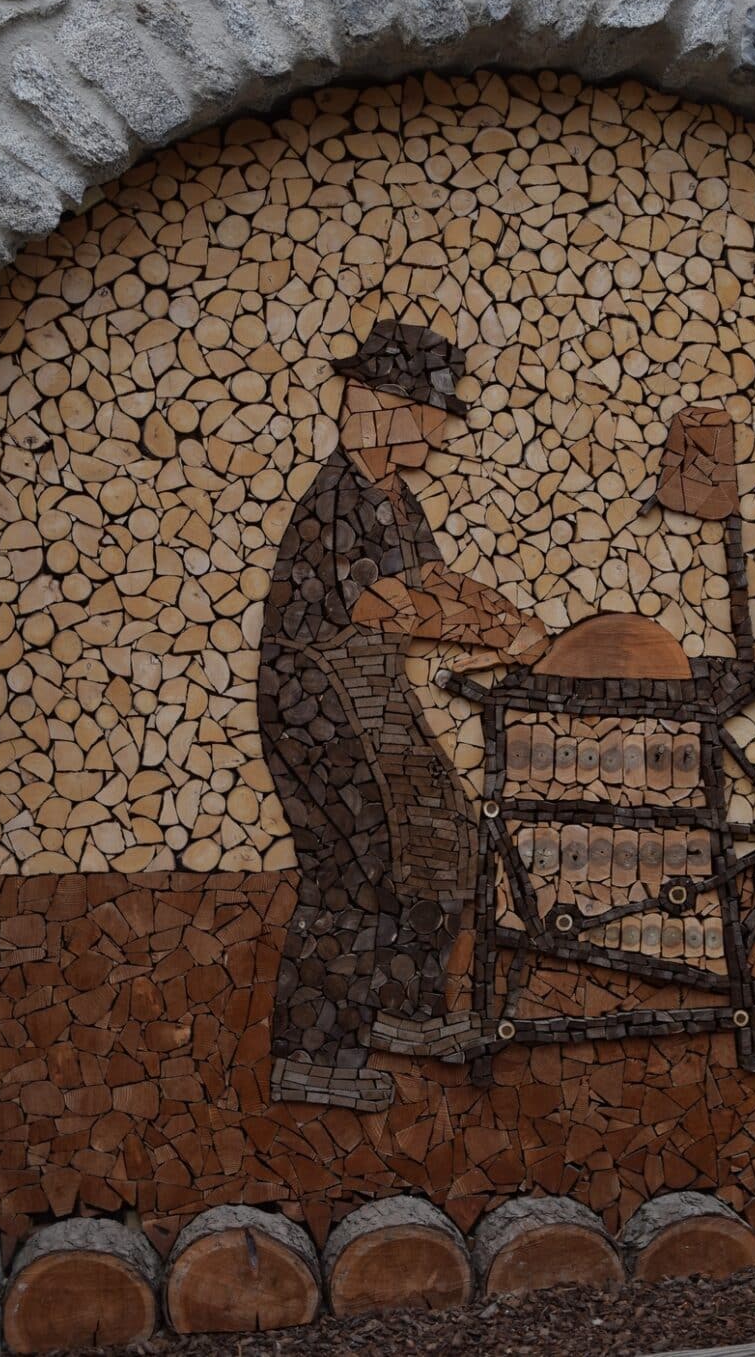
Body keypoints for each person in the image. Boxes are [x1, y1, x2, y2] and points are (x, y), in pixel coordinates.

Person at [259, 320, 547, 1110]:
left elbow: (435, 580)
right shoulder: (335, 500)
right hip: (314, 700)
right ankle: (310, 1052)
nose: (440, 429)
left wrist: (510, 615)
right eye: (427, 411)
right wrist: (496, 634)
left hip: (372, 693)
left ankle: (406, 1008)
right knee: (353, 867)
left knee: (444, 833)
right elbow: (385, 606)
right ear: (372, 404)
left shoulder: (393, 496)